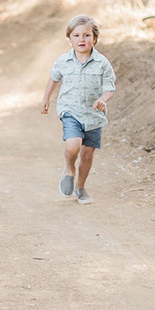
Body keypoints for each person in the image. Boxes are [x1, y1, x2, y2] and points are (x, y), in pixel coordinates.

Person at [41, 14, 115, 203]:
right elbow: (53, 78)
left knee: (87, 154)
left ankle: (80, 188)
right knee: (73, 144)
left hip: (93, 115)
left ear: (95, 39)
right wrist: (46, 99)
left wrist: (103, 99)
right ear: (69, 39)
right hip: (70, 110)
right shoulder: (63, 61)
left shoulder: (102, 63)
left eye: (87, 35)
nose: (81, 39)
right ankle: (69, 169)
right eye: (76, 35)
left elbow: (109, 87)